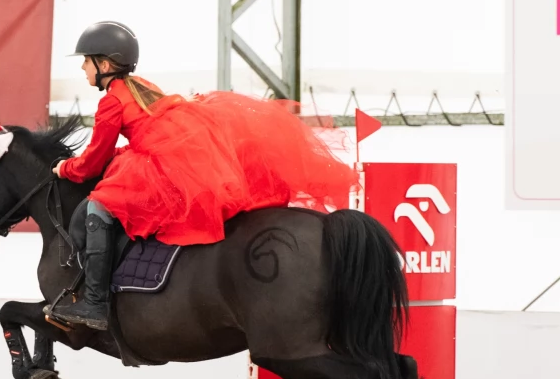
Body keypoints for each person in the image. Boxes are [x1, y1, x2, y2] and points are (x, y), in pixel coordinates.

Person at [46, 21, 360, 331]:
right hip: (175, 153)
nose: (83, 68)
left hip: (161, 162)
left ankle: (95, 301)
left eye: (86, 61)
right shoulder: (141, 86)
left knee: (99, 206)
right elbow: (141, 137)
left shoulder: (111, 101)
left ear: (103, 64)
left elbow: (93, 160)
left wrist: (66, 168)